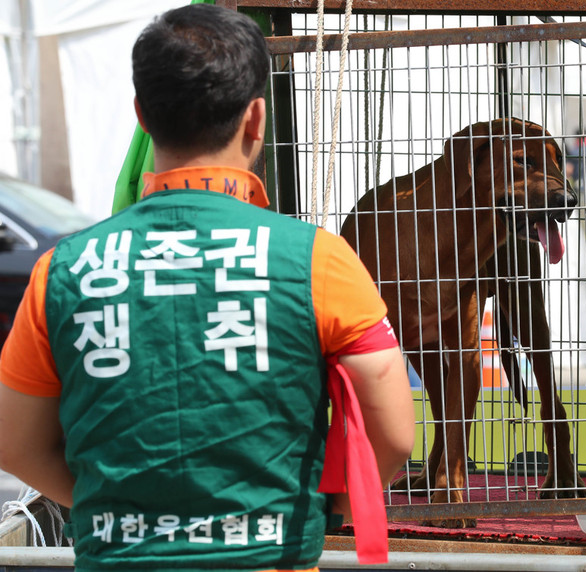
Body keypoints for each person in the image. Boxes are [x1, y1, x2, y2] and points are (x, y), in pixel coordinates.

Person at [0, 4, 414, 571]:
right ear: (257, 119)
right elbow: (393, 430)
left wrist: (122, 509)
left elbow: (15, 441)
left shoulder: (65, 268)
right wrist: (323, 505)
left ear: (142, 115)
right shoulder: (320, 261)